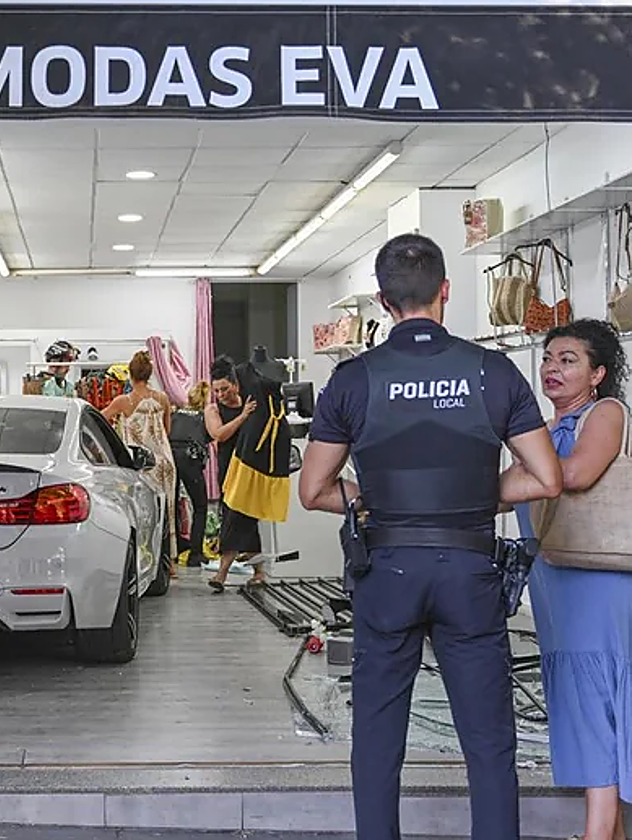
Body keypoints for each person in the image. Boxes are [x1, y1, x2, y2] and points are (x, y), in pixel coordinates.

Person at [297, 232, 563, 840]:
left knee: (377, 735)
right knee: (489, 740)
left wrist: (374, 498)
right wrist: (469, 495)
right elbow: (546, 477)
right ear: (446, 291)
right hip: (469, 570)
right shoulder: (492, 372)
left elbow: (313, 490)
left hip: (387, 569)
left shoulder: (355, 378)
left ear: (384, 302)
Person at [505, 319, 632, 840]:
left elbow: (574, 474)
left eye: (568, 360)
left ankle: (596, 833)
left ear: (598, 373)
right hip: (557, 581)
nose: (552, 369)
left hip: (599, 584)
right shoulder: (542, 428)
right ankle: (613, 829)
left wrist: (510, 477)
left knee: (597, 695)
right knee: (584, 698)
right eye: (549, 358)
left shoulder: (605, 413)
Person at [103, 350, 179, 573]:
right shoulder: (162, 398)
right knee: (167, 513)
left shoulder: (123, 402)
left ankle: (142, 561)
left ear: (130, 374)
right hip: (164, 462)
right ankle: (169, 564)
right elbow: (167, 430)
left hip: (140, 465)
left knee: (140, 514)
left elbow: (100, 419)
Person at [205, 356, 259, 592]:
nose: (221, 395)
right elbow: (219, 434)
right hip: (228, 471)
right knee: (231, 516)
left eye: (225, 389)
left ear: (235, 384)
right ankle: (225, 572)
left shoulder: (250, 403)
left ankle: (231, 573)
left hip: (252, 468)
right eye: (216, 390)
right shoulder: (213, 409)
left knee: (249, 516)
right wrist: (243, 416)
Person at [170, 381, 212, 566]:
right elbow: (214, 435)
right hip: (191, 460)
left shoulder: (176, 414)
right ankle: (195, 553)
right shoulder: (204, 416)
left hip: (172, 457)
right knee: (200, 506)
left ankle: (174, 548)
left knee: (172, 506)